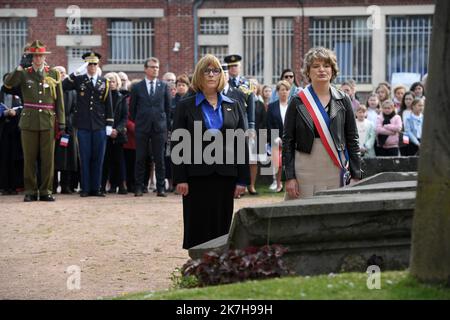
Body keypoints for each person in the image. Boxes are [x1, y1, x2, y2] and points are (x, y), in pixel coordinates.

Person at [172, 54, 249, 249]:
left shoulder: (234, 105)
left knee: (222, 226)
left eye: (216, 70)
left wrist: (242, 179)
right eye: (207, 70)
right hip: (195, 176)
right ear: (199, 75)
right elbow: (178, 144)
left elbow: (241, 145)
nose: (212, 75)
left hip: (226, 175)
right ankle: (198, 267)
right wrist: (180, 178)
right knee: (197, 225)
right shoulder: (185, 105)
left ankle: (218, 267)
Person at [283, 47, 362, 200]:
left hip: (334, 167)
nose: (321, 70)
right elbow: (288, 141)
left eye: (326, 66)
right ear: (308, 71)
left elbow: (352, 138)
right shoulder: (297, 101)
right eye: (315, 66)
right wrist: (290, 176)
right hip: (304, 167)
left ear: (332, 70)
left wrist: (356, 174)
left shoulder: (343, 99)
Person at [4, 40, 65, 202]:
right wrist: (19, 67)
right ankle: (30, 190)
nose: (38, 59)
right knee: (29, 158)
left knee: (47, 159)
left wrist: (62, 121)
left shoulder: (53, 73)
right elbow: (8, 84)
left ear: (44, 57)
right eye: (35, 56)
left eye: (40, 56)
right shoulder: (24, 73)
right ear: (31, 57)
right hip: (29, 120)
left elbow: (59, 100)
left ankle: (46, 190)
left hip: (47, 120)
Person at [63, 51, 113, 197]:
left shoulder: (104, 82)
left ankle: (96, 188)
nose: (92, 67)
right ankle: (85, 188)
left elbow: (108, 105)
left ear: (98, 65)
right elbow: (63, 86)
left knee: (98, 158)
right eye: (89, 64)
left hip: (99, 125)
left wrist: (109, 124)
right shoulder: (79, 80)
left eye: (94, 64)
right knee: (85, 157)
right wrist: (74, 73)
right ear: (86, 65)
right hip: (83, 124)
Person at [130, 57, 172, 197]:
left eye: (157, 67)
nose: (155, 70)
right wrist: (140, 121)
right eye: (153, 67)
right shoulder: (137, 87)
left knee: (159, 159)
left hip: (159, 128)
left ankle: (160, 188)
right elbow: (133, 109)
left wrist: (164, 125)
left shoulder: (164, 86)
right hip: (142, 127)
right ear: (145, 69)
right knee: (140, 158)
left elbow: (167, 108)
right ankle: (139, 187)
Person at [53, 66, 78, 194]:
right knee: (53, 157)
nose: (61, 74)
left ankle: (65, 185)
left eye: (63, 72)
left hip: (69, 128)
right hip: (53, 127)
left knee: (68, 157)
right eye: (58, 72)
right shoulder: (51, 89)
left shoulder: (72, 91)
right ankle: (52, 185)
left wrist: (68, 122)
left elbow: (75, 109)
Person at [101, 72, 128, 194]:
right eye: (108, 81)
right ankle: (103, 186)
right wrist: (107, 130)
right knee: (105, 160)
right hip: (104, 133)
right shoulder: (101, 97)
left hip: (118, 133)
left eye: (113, 81)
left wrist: (117, 130)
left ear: (117, 83)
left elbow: (124, 117)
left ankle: (121, 185)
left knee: (119, 161)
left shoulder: (122, 97)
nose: (111, 84)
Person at [267, 80, 291, 193]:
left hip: (290, 139)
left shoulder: (292, 105)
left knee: (290, 163)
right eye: (282, 90)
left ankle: (289, 184)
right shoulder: (272, 106)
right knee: (278, 164)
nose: (284, 92)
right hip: (276, 139)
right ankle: (278, 184)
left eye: (286, 90)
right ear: (277, 92)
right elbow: (269, 123)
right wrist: (276, 138)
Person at [0, 78, 23, 195]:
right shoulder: (1, 93)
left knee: (15, 158)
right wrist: (4, 113)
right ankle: (4, 186)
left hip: (17, 130)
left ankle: (15, 185)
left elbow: (25, 107)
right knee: (4, 158)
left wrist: (17, 112)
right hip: (3, 129)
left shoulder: (20, 93)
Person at [224, 54, 255, 130]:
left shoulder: (247, 84)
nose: (233, 68)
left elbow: (251, 107)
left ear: (240, 67)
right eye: (230, 66)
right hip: (228, 121)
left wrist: (251, 126)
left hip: (243, 122)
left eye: (235, 66)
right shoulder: (224, 84)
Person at [247, 77, 268, 195]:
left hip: (257, 136)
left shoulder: (260, 104)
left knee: (254, 161)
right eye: (250, 85)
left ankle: (252, 185)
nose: (252, 88)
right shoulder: (244, 101)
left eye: (254, 86)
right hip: (244, 135)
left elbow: (263, 121)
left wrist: (258, 135)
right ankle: (242, 185)